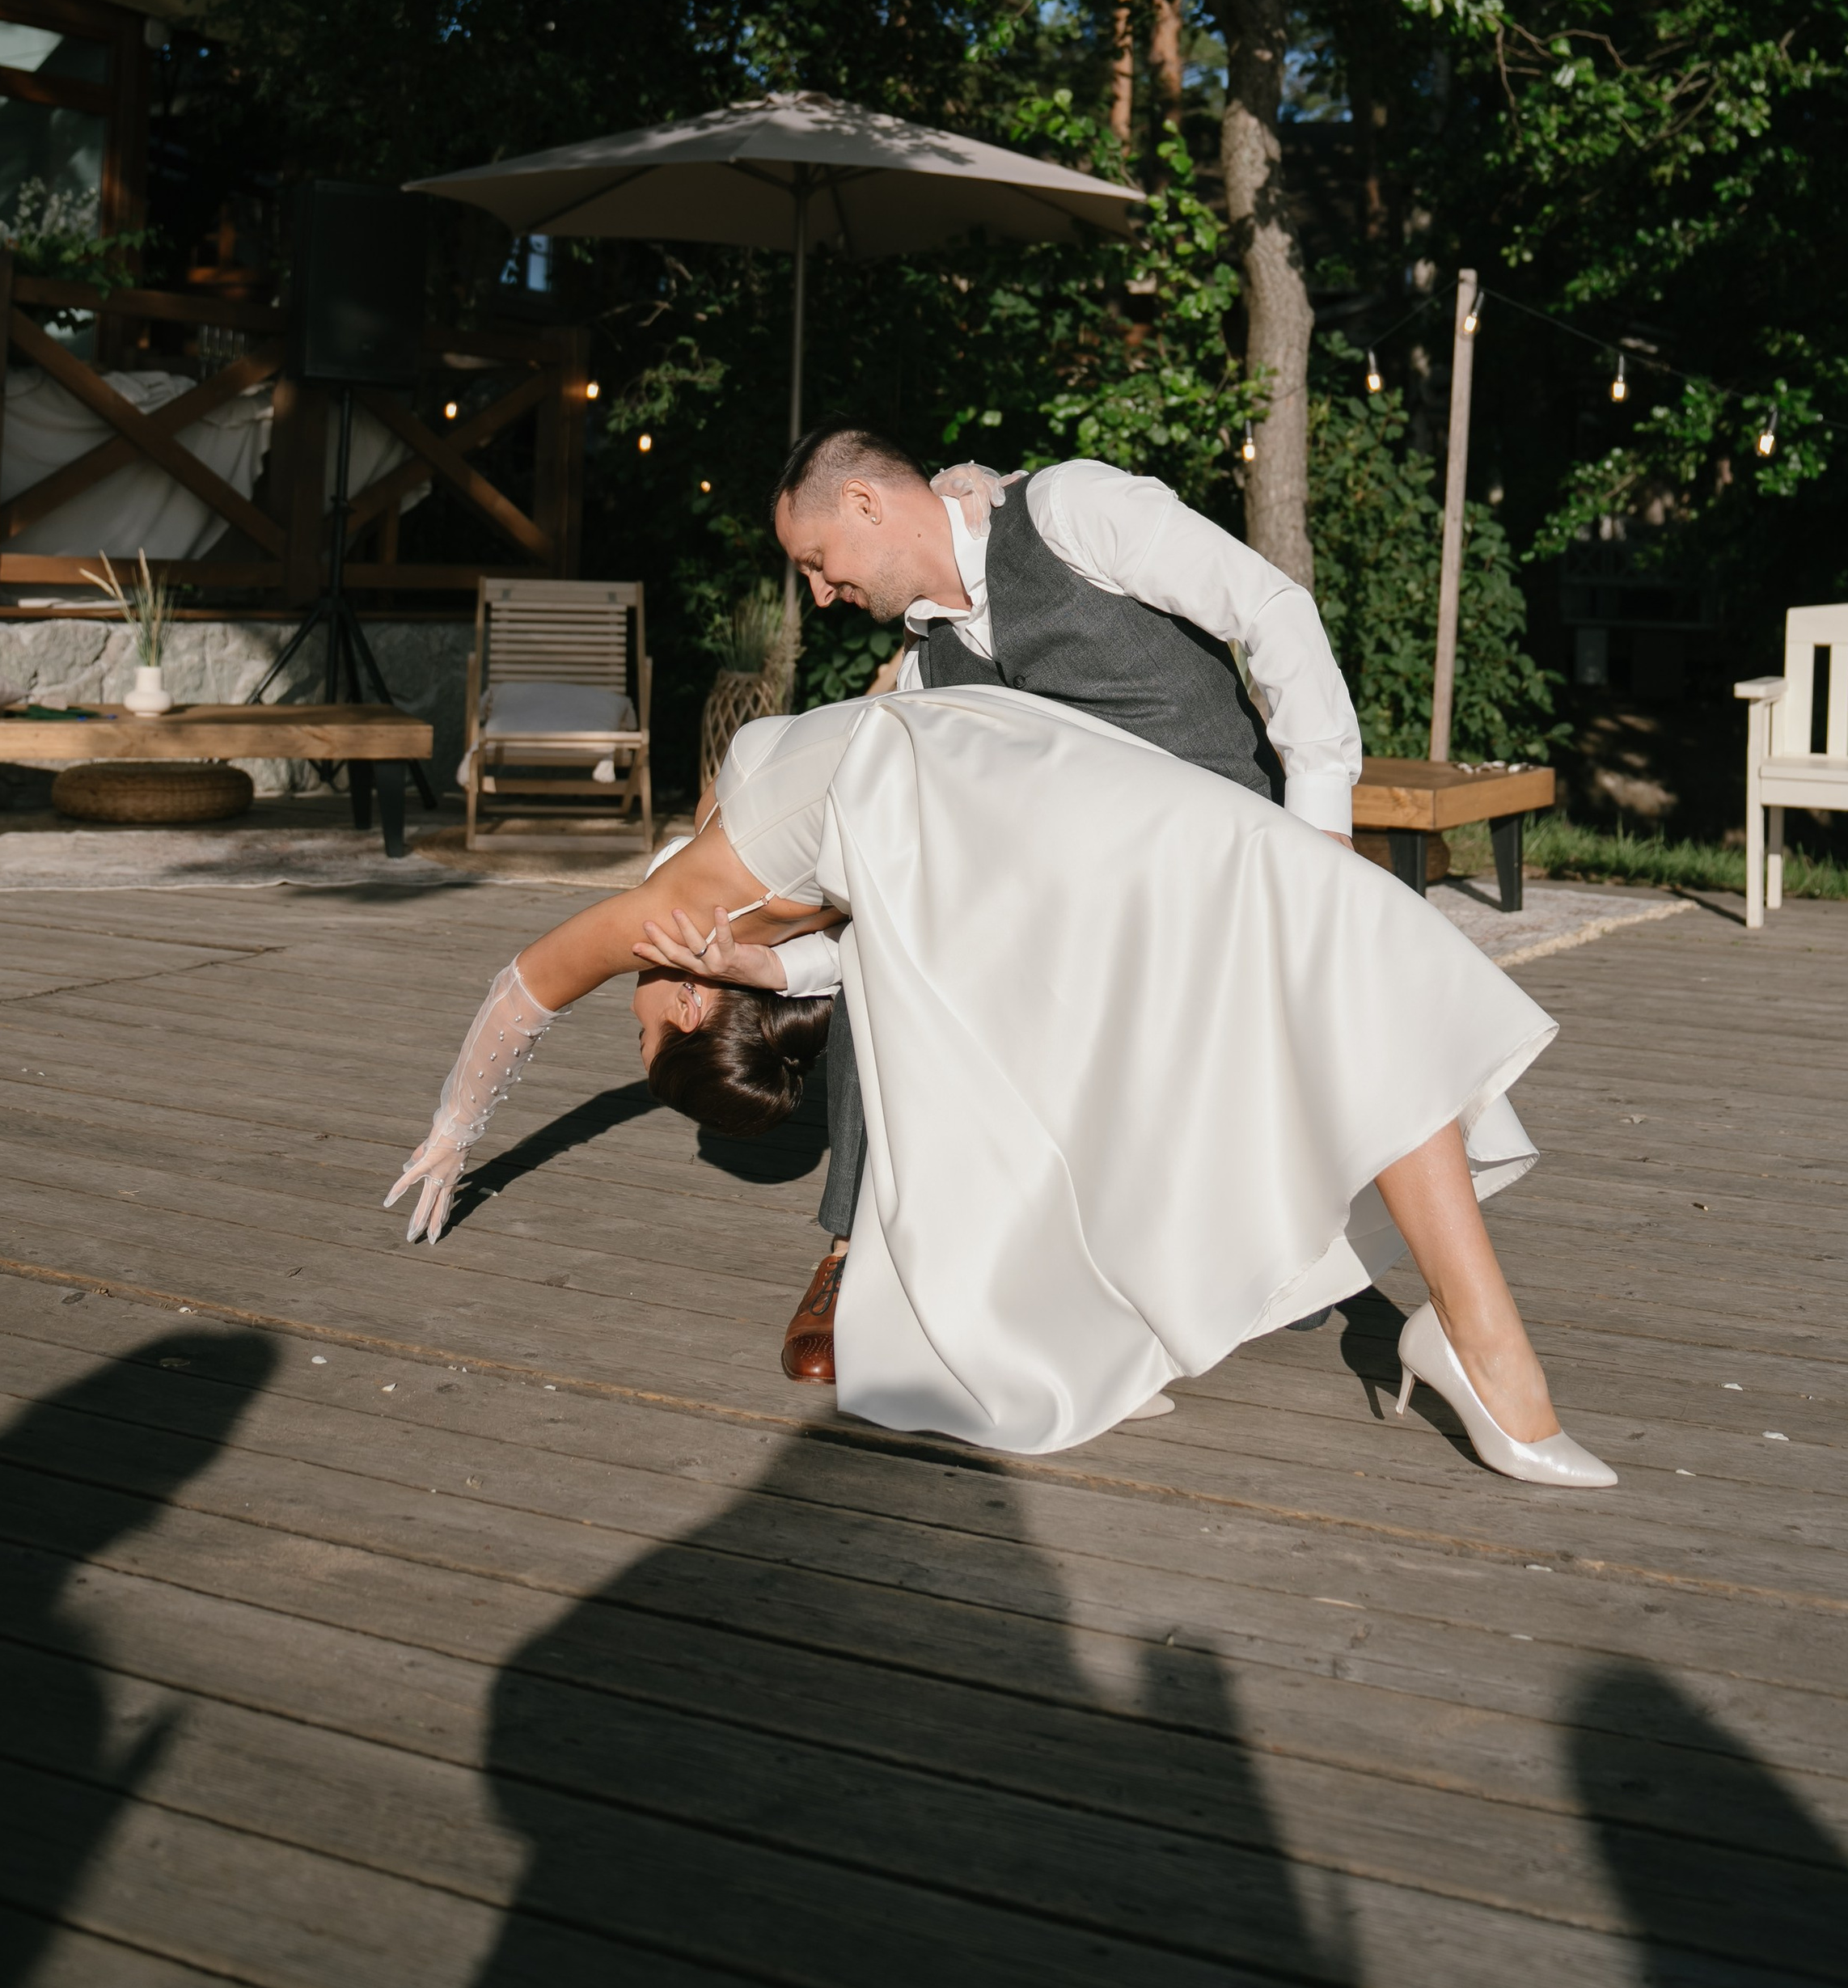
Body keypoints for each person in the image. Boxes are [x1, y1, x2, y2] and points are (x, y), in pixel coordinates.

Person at [384, 603, 1614, 1488]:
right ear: (698, 1001)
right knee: (1336, 942)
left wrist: (459, 1135)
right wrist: (452, 1127)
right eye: (645, 1018)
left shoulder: (730, 915)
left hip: (1020, 775)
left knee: (1336, 947)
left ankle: (1471, 1341)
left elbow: (835, 824)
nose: (636, 995)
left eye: (640, 1016)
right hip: (1022, 807)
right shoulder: (681, 919)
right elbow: (525, 990)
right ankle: (1483, 1350)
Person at [767, 424, 1372, 1389]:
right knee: (895, 929)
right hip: (1090, 909)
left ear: (867, 506)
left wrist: (1321, 828)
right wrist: (783, 957)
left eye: (816, 561)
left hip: (1225, 862)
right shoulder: (931, 665)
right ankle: (857, 1249)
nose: (821, 591)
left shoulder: (1067, 509)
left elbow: (1270, 605)